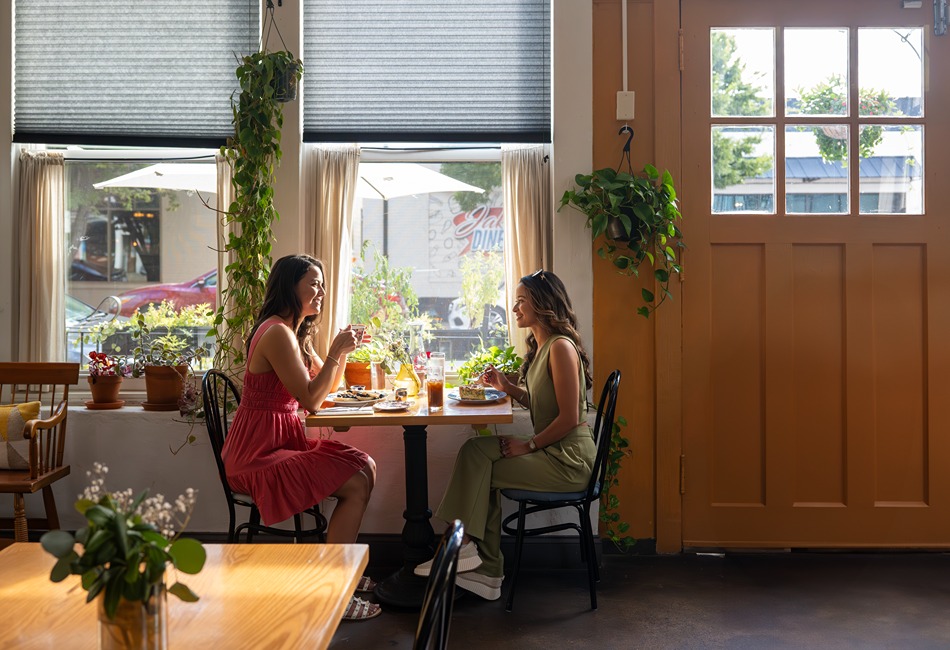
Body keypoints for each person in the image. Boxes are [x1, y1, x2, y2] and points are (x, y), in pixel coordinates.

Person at [415, 269, 594, 601]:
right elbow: (547, 403)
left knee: (484, 467)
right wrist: (509, 387)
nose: (514, 309)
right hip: (554, 452)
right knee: (475, 452)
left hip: (569, 460)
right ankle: (472, 553)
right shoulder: (544, 349)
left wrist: (528, 445)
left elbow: (569, 417)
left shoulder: (560, 348)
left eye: (521, 301)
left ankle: (478, 558)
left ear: (542, 304)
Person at [221, 254, 381, 621]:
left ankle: (342, 571)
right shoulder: (277, 332)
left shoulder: (293, 332)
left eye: (323, 283)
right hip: (257, 454)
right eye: (313, 283)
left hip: (280, 443)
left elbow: (322, 392)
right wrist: (337, 350)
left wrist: (341, 353)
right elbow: (310, 398)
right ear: (288, 286)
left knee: (365, 465)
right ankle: (334, 590)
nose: (321, 290)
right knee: (356, 483)